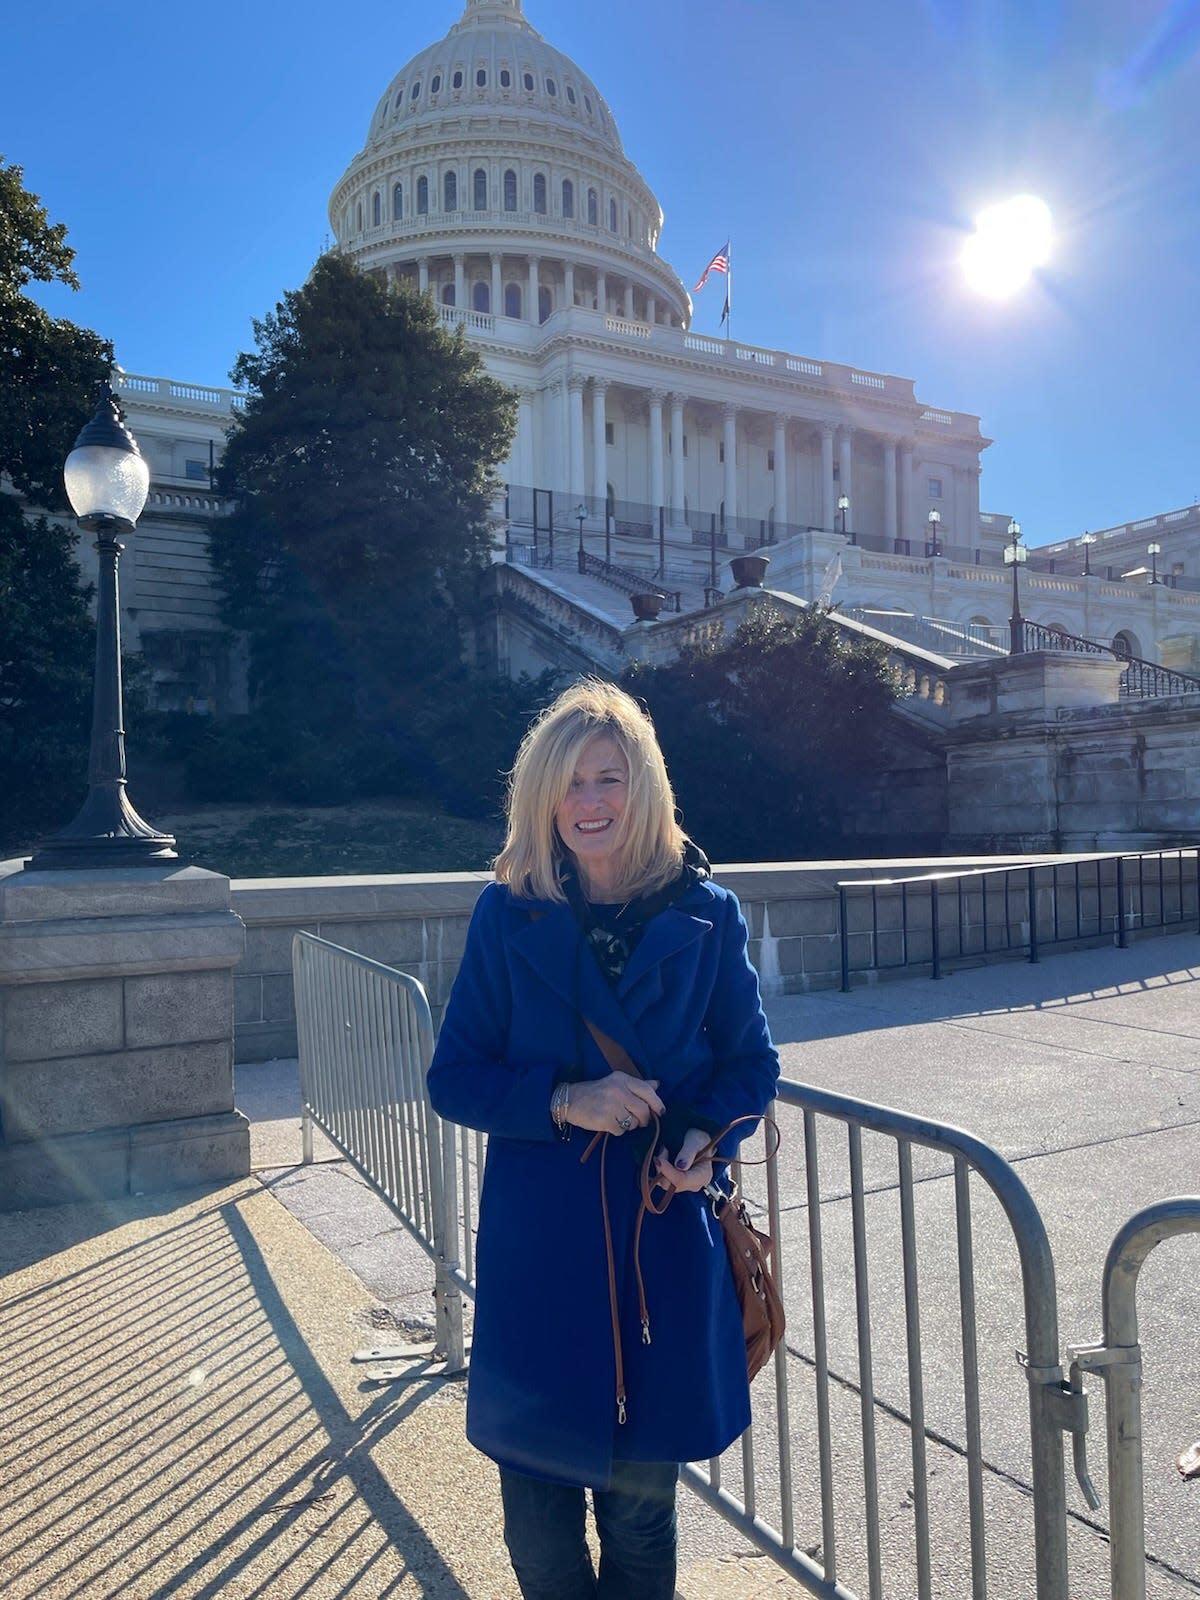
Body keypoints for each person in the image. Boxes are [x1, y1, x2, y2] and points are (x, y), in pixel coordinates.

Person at [427, 678, 779, 1599]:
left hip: (657, 1248)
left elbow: (749, 1065)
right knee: (537, 1535)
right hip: (539, 1254)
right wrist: (564, 1101)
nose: (589, 802)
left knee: (640, 1522)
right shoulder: (506, 913)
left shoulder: (709, 913)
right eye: (569, 782)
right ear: (542, 797)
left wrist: (707, 1139)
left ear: (644, 786)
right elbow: (453, 1077)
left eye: (609, 778)